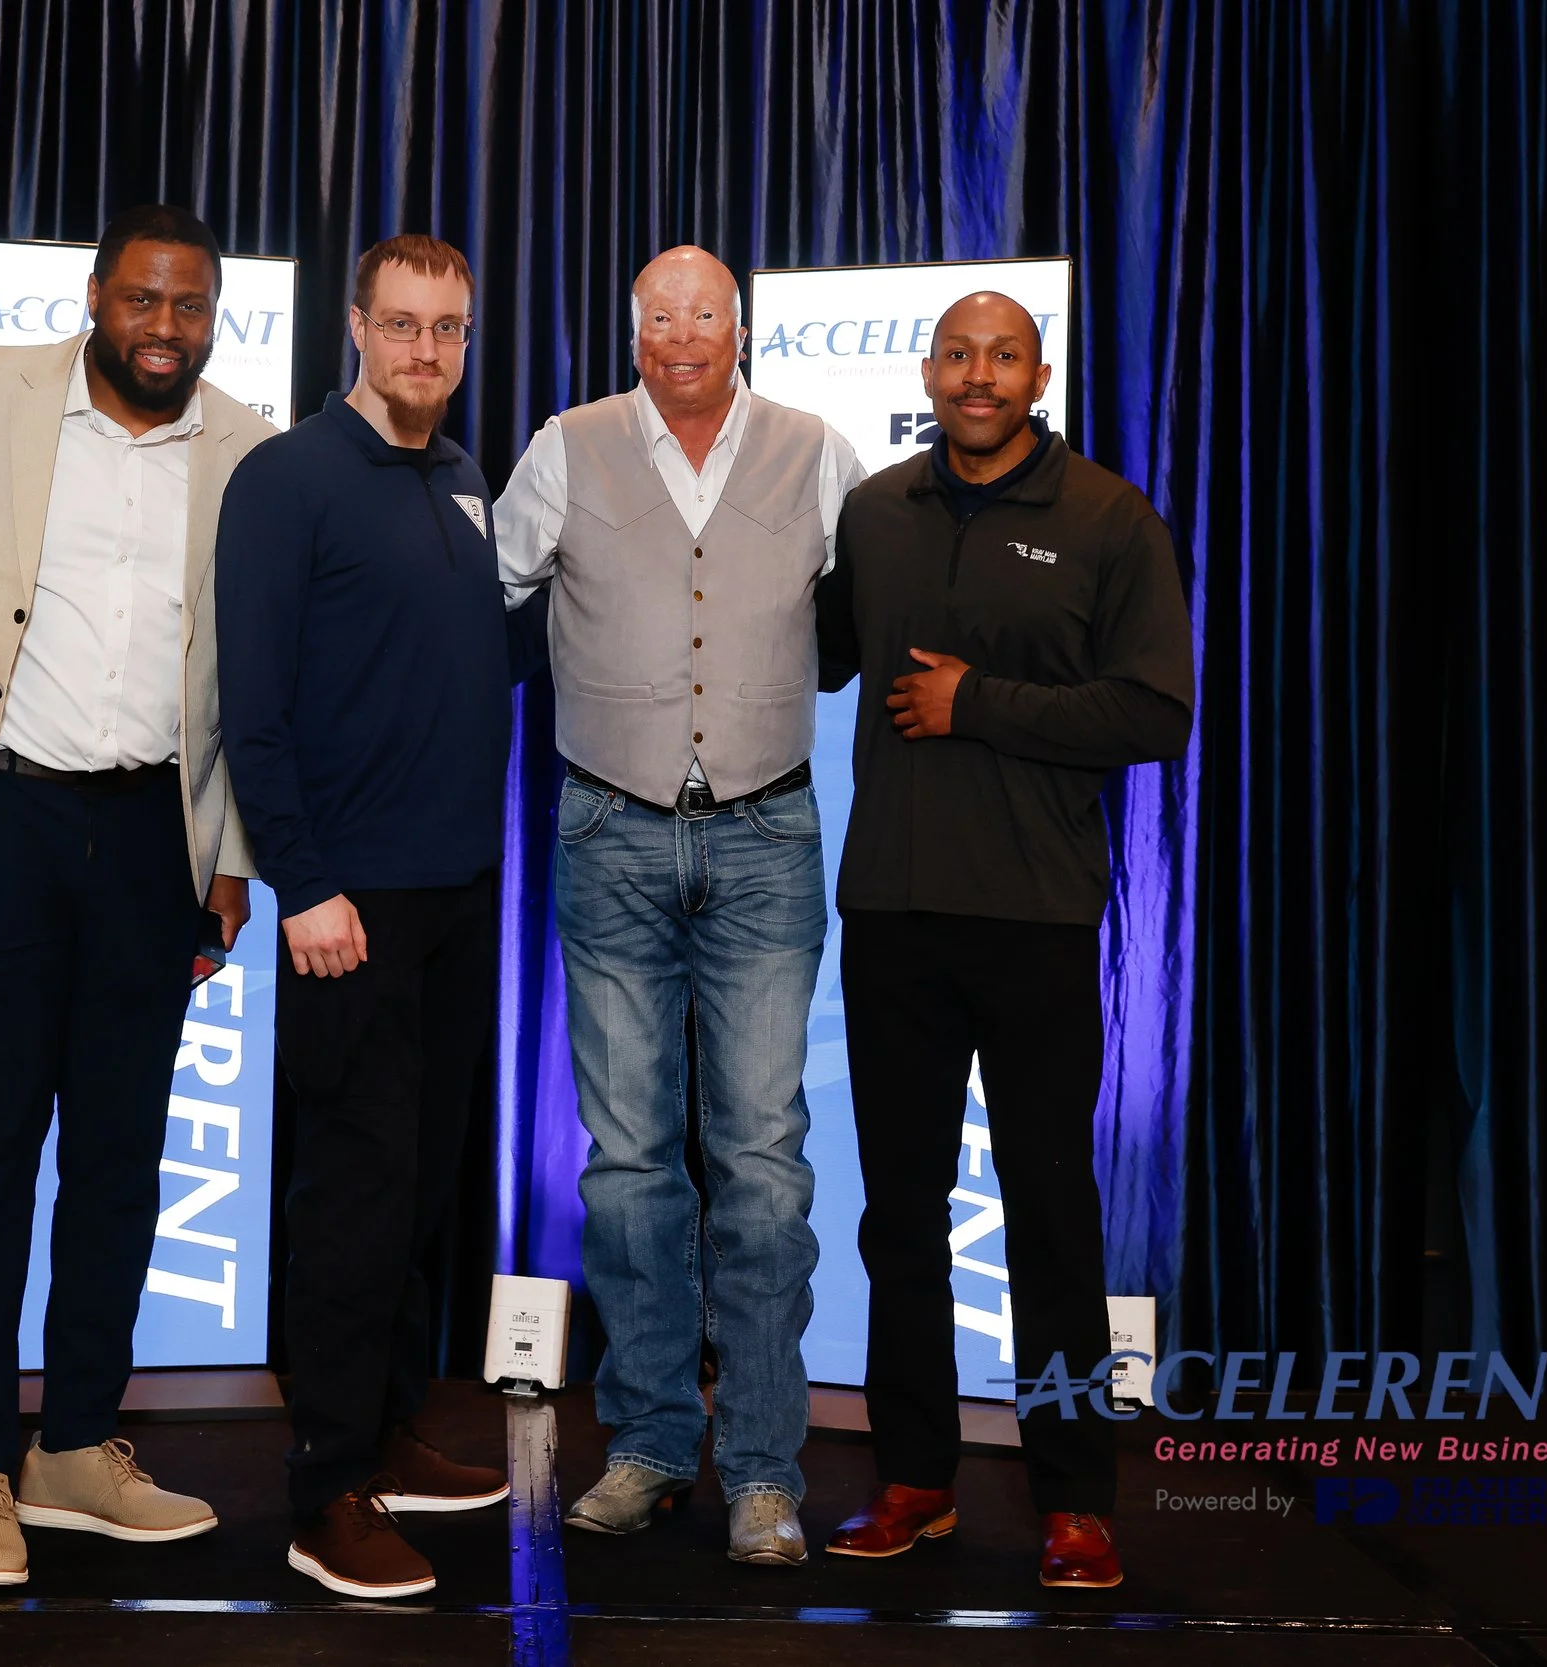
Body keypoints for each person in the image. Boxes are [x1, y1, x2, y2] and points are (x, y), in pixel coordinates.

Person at [815, 291, 1193, 1590]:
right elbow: (801, 656)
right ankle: (914, 1477)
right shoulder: (872, 514)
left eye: (1005, 356)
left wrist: (980, 701)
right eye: (959, 354)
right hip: (895, 916)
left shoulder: (1107, 518)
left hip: (1036, 916)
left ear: (1040, 373)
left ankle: (1076, 1495)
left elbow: (1153, 710)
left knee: (1050, 1211)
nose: (980, 377)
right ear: (931, 371)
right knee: (900, 1217)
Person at [492, 246, 862, 1566]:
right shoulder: (567, 445)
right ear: (633, 329)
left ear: (741, 329)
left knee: (762, 1164)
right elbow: (488, 597)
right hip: (609, 825)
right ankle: (649, 1442)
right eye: (658, 315)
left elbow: (869, 601)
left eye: (703, 313)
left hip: (768, 829)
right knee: (631, 1162)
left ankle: (764, 1470)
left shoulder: (817, 450)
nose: (680, 334)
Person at [0, 204, 264, 1587]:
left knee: (123, 1158)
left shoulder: (247, 442)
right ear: (95, 296)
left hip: (151, 837)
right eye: (143, 300)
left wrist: (229, 850)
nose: (165, 329)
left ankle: (75, 1441)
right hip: (3, 818)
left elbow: (248, 669)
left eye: (190, 307)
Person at [216, 234, 531, 1599]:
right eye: (402, 326)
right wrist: (305, 879)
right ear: (356, 327)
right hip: (350, 899)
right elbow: (256, 701)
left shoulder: (461, 477)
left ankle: (390, 1428)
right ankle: (325, 1487)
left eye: (448, 329)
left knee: (414, 1186)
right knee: (350, 1195)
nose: (426, 351)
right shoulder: (285, 480)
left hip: (460, 893)